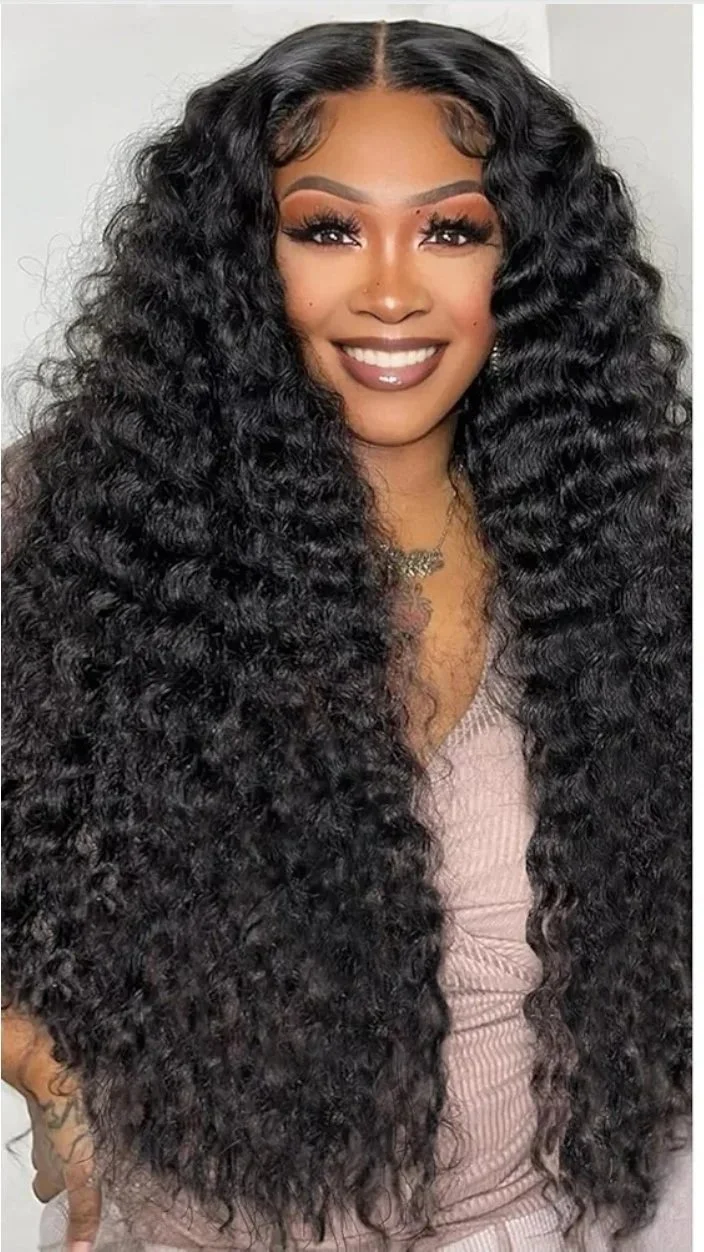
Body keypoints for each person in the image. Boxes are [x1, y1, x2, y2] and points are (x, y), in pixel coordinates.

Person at [1, 17, 691, 1252]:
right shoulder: (74, 520)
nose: (387, 287)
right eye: (326, 228)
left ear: (522, 262)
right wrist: (45, 1068)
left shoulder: (619, 540)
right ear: (242, 257)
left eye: (450, 229)